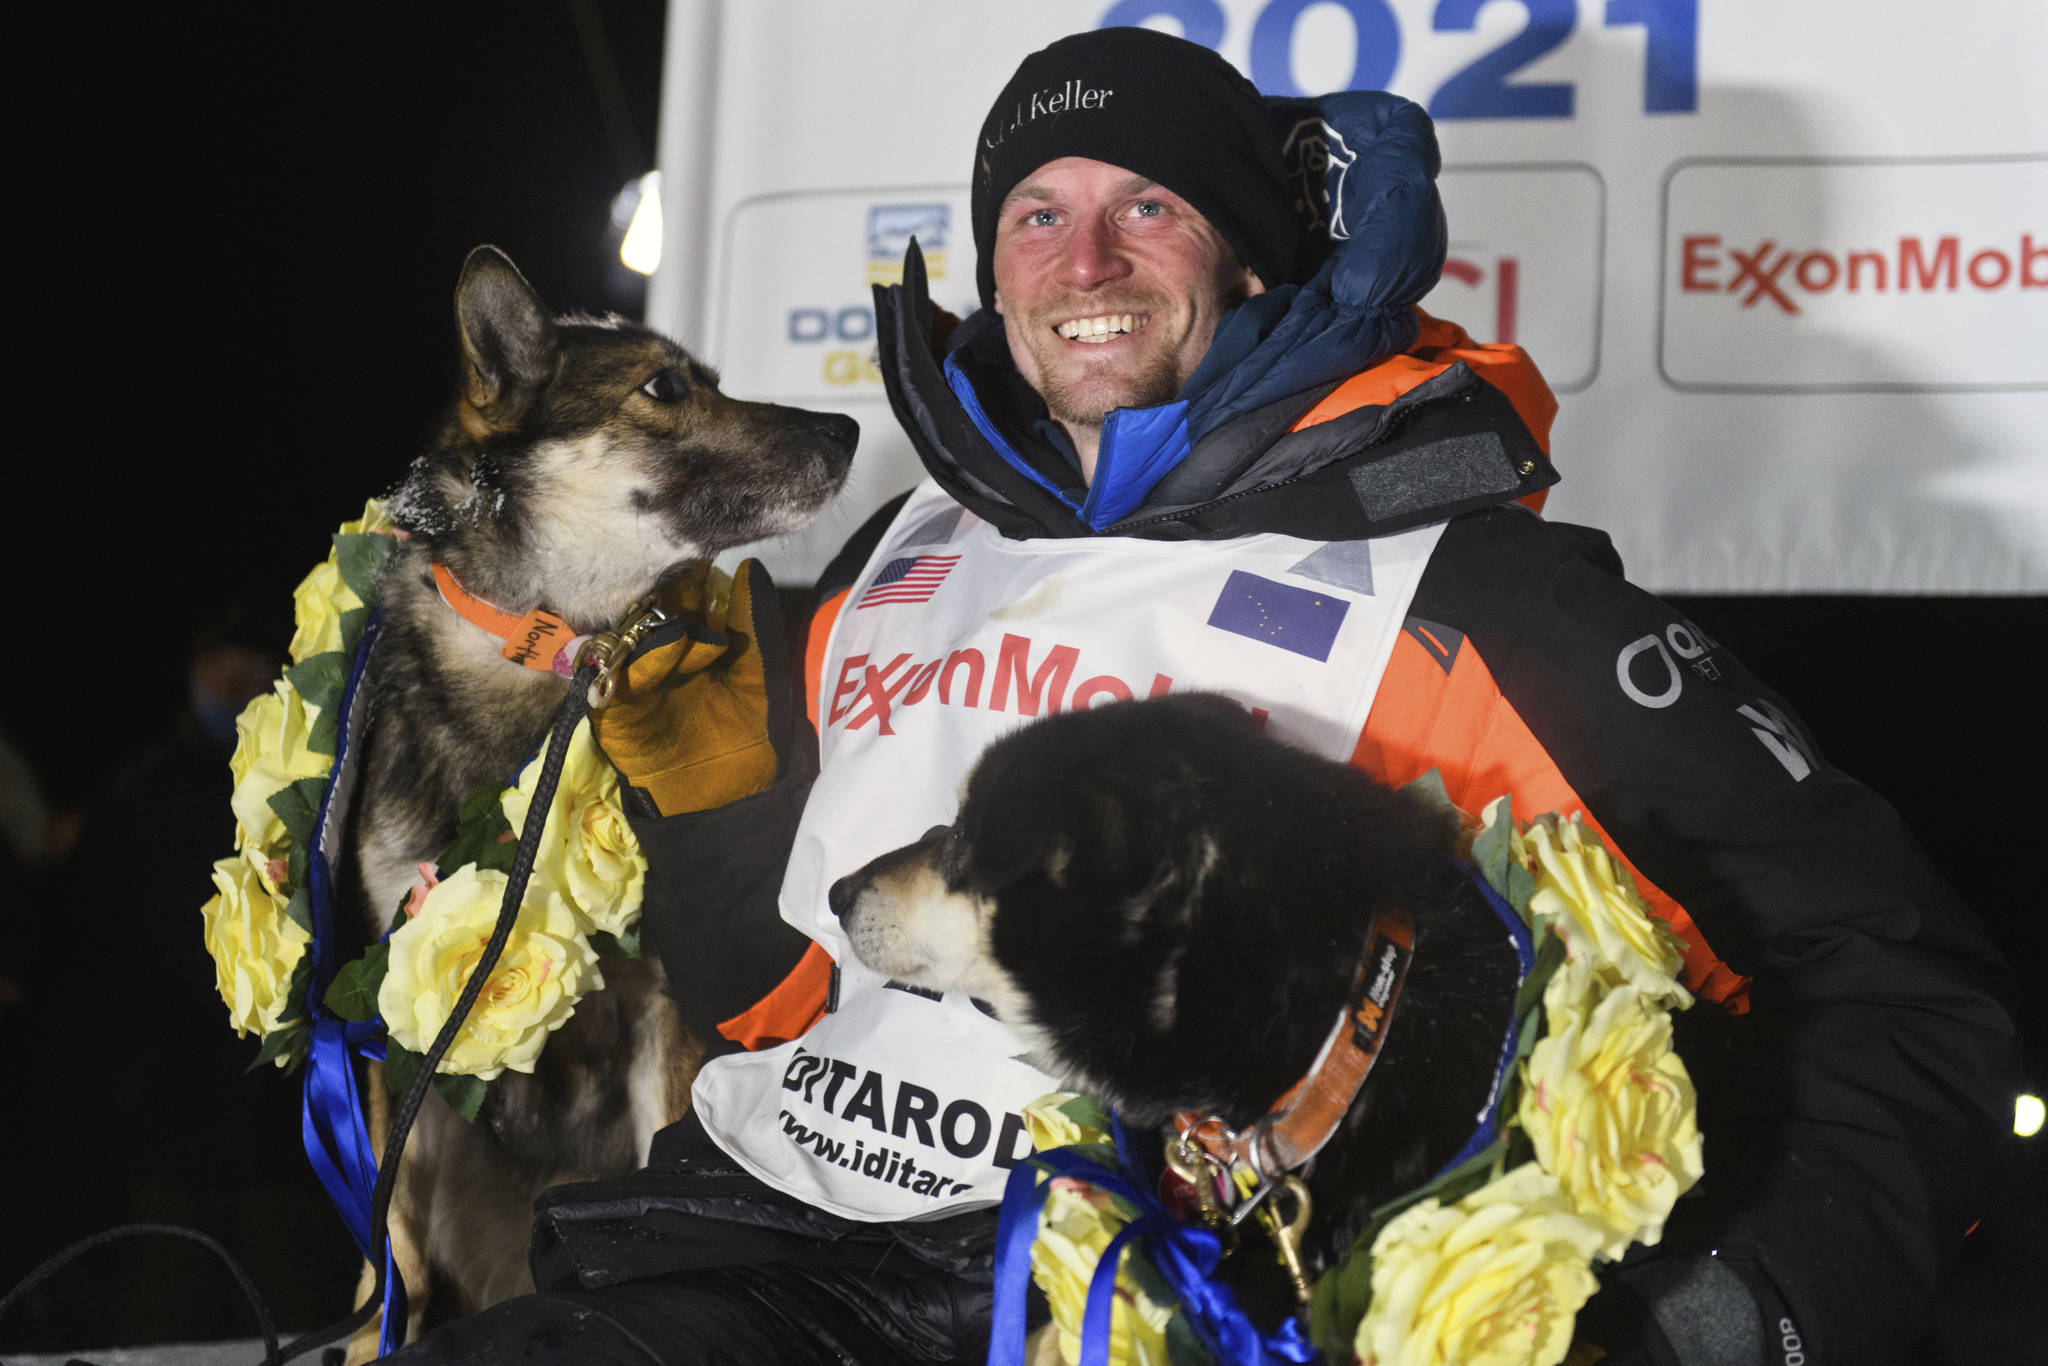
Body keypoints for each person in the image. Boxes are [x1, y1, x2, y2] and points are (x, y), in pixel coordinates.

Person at [384, 26, 2019, 1366]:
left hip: (1175, 1298)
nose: (1084, 258)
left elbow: (1901, 989)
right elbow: (787, 998)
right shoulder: (898, 547)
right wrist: (726, 824)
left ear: (1238, 252)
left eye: (1147, 207)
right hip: (766, 1254)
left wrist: (1737, 1317)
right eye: (1036, 215)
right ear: (996, 272)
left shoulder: (1454, 588)